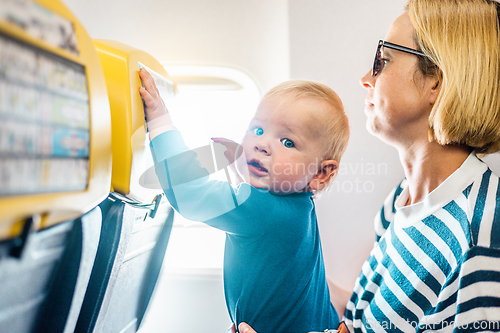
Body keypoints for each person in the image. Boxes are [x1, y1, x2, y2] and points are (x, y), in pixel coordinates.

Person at [234, 0, 500, 332]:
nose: (365, 78)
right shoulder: (401, 200)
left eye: (383, 60)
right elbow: (366, 319)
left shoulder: (484, 229)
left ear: (436, 81)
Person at [139, 70, 350, 333]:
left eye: (287, 141)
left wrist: (160, 121)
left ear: (320, 173)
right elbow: (273, 180)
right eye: (258, 129)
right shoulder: (299, 204)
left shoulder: (264, 210)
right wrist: (244, 163)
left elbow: (189, 194)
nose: (262, 144)